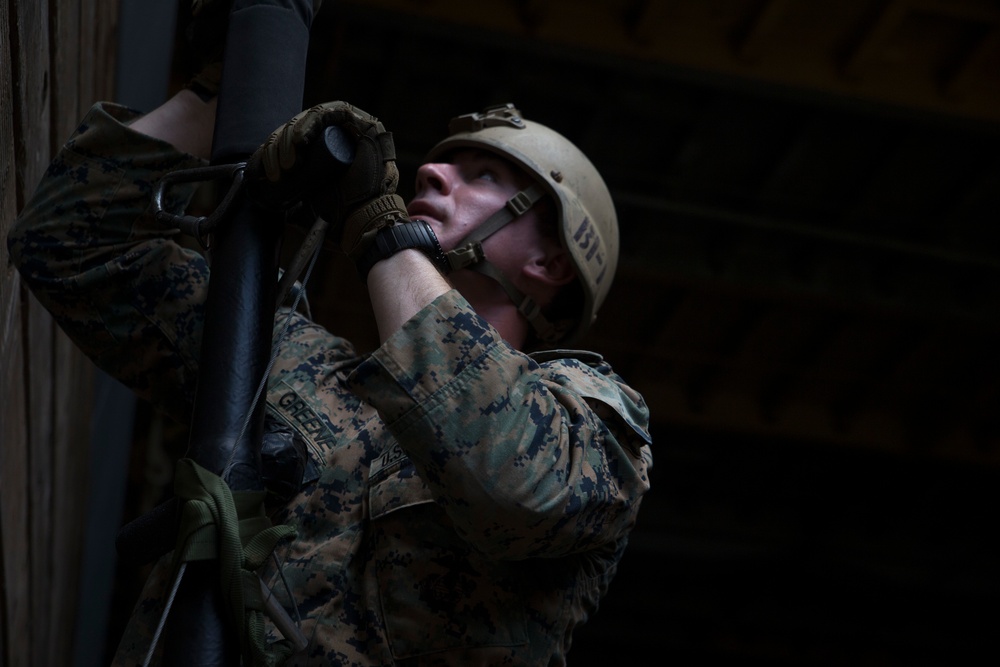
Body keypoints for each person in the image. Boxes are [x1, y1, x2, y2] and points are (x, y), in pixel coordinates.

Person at [8, 12, 652, 667]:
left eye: (485, 175)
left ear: (552, 262)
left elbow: (517, 483)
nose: (432, 172)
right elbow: (69, 241)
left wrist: (378, 230)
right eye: (444, 165)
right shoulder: (305, 368)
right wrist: (226, 91)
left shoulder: (592, 427)